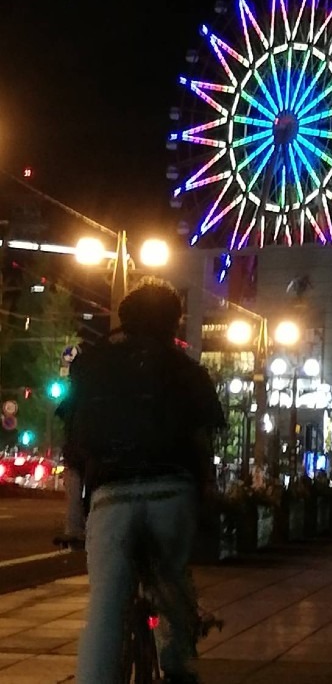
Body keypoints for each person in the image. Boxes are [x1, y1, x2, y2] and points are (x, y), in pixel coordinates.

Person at [64, 276, 225, 684]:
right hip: (173, 493)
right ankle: (179, 662)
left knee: (105, 606)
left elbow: (75, 449)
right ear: (174, 323)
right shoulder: (185, 370)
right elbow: (201, 443)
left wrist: (73, 520)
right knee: (173, 579)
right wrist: (208, 496)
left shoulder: (93, 366)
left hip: (110, 496)